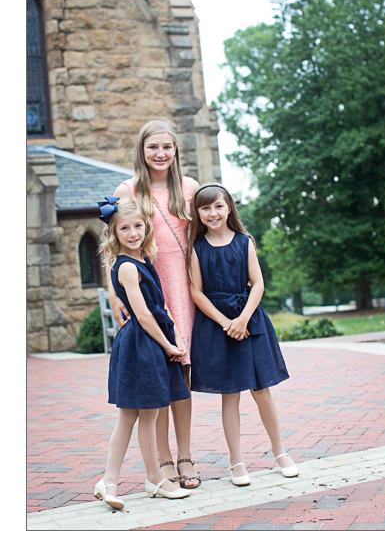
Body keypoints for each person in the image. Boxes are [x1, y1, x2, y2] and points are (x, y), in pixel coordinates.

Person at [108, 120, 202, 489]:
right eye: (152, 147)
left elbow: (205, 237)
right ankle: (162, 461)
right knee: (158, 379)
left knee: (183, 376)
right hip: (146, 291)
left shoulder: (190, 189)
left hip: (184, 289)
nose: (160, 153)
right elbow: (113, 243)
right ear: (141, 151)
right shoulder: (127, 189)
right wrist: (115, 292)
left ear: (176, 149)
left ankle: (186, 456)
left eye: (167, 146)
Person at [186, 183, 298, 486]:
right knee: (230, 395)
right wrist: (227, 322)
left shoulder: (245, 241)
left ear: (229, 208)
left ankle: (281, 453)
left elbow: (258, 283)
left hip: (251, 321)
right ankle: (236, 462)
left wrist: (243, 318)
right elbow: (196, 291)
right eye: (205, 208)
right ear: (198, 212)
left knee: (262, 392)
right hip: (217, 325)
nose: (212, 213)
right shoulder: (196, 248)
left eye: (218, 206)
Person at [93, 197, 192, 509]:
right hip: (141, 345)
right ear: (115, 233)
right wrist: (166, 345)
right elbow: (143, 315)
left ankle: (154, 478)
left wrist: (175, 336)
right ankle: (110, 480)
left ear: (146, 227)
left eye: (138, 225)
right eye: (125, 228)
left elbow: (161, 307)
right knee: (129, 416)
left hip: (156, 341)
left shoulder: (145, 261)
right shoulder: (125, 267)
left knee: (148, 415)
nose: (133, 232)